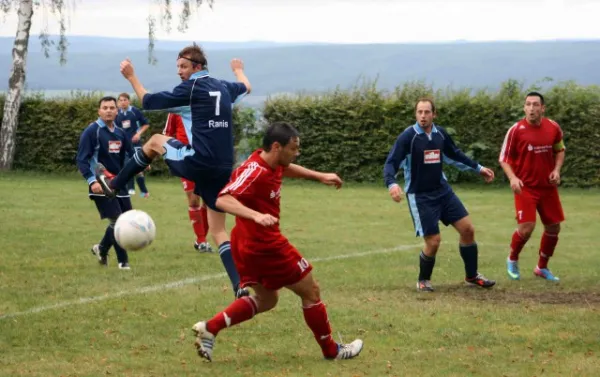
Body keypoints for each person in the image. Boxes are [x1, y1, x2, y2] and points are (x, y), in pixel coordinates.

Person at [191, 122, 364, 362]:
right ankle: (332, 351)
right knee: (311, 291)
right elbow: (223, 199)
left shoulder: (271, 162)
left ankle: (210, 328)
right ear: (276, 147)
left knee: (267, 299)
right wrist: (256, 215)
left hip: (246, 243)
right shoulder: (255, 171)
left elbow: (287, 169)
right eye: (293, 148)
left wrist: (319, 176)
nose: (296, 153)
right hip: (264, 245)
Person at [95, 43, 250, 298]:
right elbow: (247, 87)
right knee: (218, 229)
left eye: (184, 66)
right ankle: (239, 285)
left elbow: (146, 100)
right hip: (223, 167)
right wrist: (238, 71)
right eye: (178, 66)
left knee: (156, 140)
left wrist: (131, 76)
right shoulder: (223, 86)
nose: (179, 71)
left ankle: (114, 185)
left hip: (198, 162)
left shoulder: (191, 89)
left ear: (197, 67)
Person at [383, 98, 496, 292]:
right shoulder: (408, 137)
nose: (423, 116)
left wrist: (479, 168)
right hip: (420, 196)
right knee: (433, 241)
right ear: (415, 114)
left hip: (443, 191)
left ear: (434, 114)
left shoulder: (440, 134)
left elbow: (455, 155)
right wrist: (392, 183)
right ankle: (423, 280)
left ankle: (472, 275)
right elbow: (391, 163)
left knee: (468, 230)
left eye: (427, 112)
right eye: (419, 112)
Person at [499, 91, 565, 282]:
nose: (531, 108)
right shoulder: (516, 130)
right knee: (527, 228)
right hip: (525, 187)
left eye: (535, 104)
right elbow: (504, 159)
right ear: (524, 108)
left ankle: (541, 268)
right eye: (528, 104)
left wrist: (557, 170)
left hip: (547, 187)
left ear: (542, 108)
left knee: (553, 228)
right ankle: (512, 258)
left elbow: (560, 150)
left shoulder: (553, 127)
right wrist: (513, 178)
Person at [76, 96, 134, 270]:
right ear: (99, 111)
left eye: (112, 107)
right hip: (101, 184)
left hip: (119, 183)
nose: (108, 110)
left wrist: (142, 164)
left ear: (117, 111)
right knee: (118, 222)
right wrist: (92, 181)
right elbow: (82, 160)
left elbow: (130, 155)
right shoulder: (92, 131)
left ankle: (101, 248)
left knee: (125, 222)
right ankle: (123, 262)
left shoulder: (121, 133)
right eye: (105, 107)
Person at [163, 112, 213, 252]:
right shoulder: (175, 109)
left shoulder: (206, 106)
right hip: (186, 159)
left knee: (209, 201)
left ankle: (200, 240)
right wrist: (173, 157)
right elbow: (166, 135)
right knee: (194, 200)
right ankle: (202, 241)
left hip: (206, 159)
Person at [114, 92, 151, 197]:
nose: (122, 102)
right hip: (123, 145)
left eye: (125, 100)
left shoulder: (135, 111)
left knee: (136, 167)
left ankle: (144, 191)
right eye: (120, 100)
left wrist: (138, 134)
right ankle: (131, 189)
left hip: (135, 144)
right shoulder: (117, 113)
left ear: (129, 101)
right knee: (127, 166)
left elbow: (146, 124)